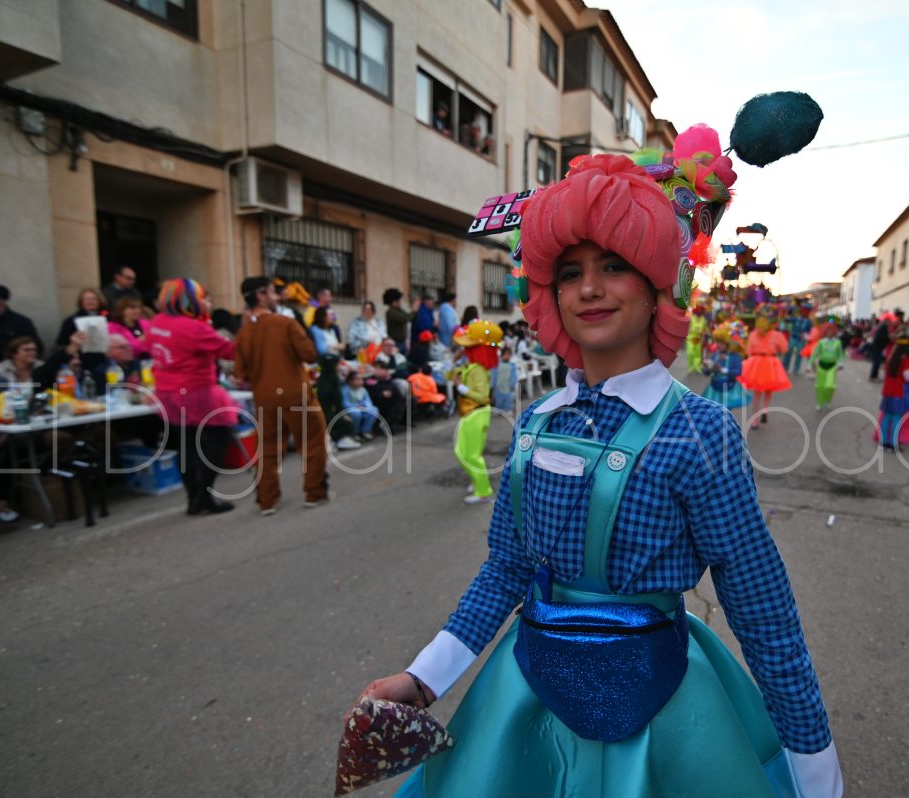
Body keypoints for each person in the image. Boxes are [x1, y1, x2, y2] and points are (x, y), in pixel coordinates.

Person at [359, 145, 841, 798]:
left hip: (665, 714)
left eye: (614, 264)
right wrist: (423, 679)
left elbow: (761, 607)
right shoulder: (535, 424)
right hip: (527, 701)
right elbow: (506, 568)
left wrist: (813, 759)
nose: (589, 288)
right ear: (549, 294)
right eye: (570, 272)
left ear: (657, 285)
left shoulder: (700, 432)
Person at [234, 276, 331, 515]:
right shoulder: (285, 323)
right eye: (272, 292)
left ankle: (267, 500)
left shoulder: (244, 332)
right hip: (295, 394)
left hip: (265, 398)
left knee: (267, 449)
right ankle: (315, 493)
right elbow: (309, 354)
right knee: (312, 443)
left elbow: (240, 373)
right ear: (261, 296)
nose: (277, 297)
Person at [144, 279, 236, 515]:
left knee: (186, 444)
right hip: (196, 391)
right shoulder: (193, 327)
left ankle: (193, 498)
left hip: (168, 392)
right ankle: (203, 495)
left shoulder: (157, 322)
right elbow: (229, 351)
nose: (208, 302)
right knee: (219, 438)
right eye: (203, 298)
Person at [448, 319, 500, 504]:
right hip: (471, 413)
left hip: (476, 412)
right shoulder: (471, 366)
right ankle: (478, 481)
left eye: (468, 346)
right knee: (463, 451)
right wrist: (454, 363)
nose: (464, 348)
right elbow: (449, 375)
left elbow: (482, 396)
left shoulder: (478, 370)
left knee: (469, 454)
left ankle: (483, 491)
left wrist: (461, 388)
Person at [310, 306, 358, 451]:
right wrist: (337, 347)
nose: (332, 317)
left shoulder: (332, 330)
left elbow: (337, 347)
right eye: (329, 315)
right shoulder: (315, 330)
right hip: (326, 365)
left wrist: (335, 347)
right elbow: (323, 349)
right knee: (340, 418)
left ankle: (339, 436)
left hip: (333, 365)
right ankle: (332, 437)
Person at [738, 313, 790, 428]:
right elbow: (784, 349)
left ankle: (755, 420)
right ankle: (765, 410)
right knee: (768, 389)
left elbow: (748, 351)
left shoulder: (753, 334)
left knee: (757, 392)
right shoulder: (777, 335)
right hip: (771, 362)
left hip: (756, 363)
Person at [878, 337, 909, 450]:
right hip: (899, 392)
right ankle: (893, 443)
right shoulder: (907, 360)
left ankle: (884, 441)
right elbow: (908, 377)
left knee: (887, 416)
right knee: (897, 418)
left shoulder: (891, 358)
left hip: (888, 391)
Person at [811, 321, 844, 410]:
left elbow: (840, 354)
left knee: (830, 386)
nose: (830, 333)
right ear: (825, 332)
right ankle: (819, 403)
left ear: (834, 332)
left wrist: (841, 363)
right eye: (828, 331)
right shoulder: (821, 342)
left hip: (832, 367)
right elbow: (815, 353)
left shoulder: (837, 342)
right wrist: (809, 364)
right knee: (820, 386)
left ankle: (828, 400)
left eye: (832, 331)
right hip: (821, 366)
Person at [341, 370, 379, 442]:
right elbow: (345, 403)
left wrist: (366, 406)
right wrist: (356, 406)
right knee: (356, 414)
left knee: (374, 410)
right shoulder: (345, 390)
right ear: (350, 381)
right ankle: (355, 432)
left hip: (362, 408)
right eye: (357, 379)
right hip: (350, 409)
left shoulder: (363, 390)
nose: (360, 381)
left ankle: (365, 430)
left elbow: (368, 401)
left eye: (361, 379)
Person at [384, 289, 415, 354]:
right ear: (392, 302)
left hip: (402, 342)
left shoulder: (399, 310)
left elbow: (407, 316)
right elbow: (405, 318)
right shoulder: (391, 312)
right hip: (395, 343)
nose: (399, 302)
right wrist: (414, 310)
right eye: (397, 300)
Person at [491, 345, 518, 412]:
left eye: (509, 354)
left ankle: (508, 408)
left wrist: (512, 384)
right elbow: (494, 375)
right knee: (498, 398)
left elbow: (514, 376)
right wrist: (492, 385)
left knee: (508, 398)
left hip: (508, 386)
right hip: (498, 385)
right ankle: (499, 409)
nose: (507, 356)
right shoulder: (497, 365)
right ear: (502, 355)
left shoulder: (512, 366)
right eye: (505, 354)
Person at [685, 305, 708, 372]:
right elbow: (687, 328)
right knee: (690, 353)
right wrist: (692, 331)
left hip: (698, 339)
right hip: (690, 339)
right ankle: (691, 367)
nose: (700, 312)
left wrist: (704, 333)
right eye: (699, 311)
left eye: (701, 311)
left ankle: (697, 367)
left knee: (697, 354)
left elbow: (705, 329)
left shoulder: (703, 320)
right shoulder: (691, 318)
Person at [868, 315, 890, 382]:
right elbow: (885, 338)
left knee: (877, 362)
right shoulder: (884, 328)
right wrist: (889, 337)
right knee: (877, 362)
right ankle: (873, 376)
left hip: (876, 347)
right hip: (877, 347)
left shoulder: (881, 327)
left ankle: (874, 376)